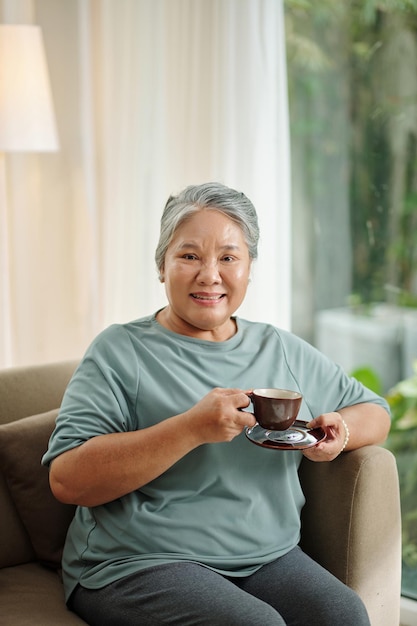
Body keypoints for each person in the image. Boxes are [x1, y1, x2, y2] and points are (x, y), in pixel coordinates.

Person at [42, 182, 391, 626]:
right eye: (189, 256)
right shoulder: (119, 351)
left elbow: (375, 410)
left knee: (343, 614)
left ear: (248, 268)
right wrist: (190, 428)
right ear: (162, 266)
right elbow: (67, 479)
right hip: (139, 561)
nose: (209, 274)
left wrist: (339, 430)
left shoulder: (279, 348)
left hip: (267, 556)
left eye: (228, 257)